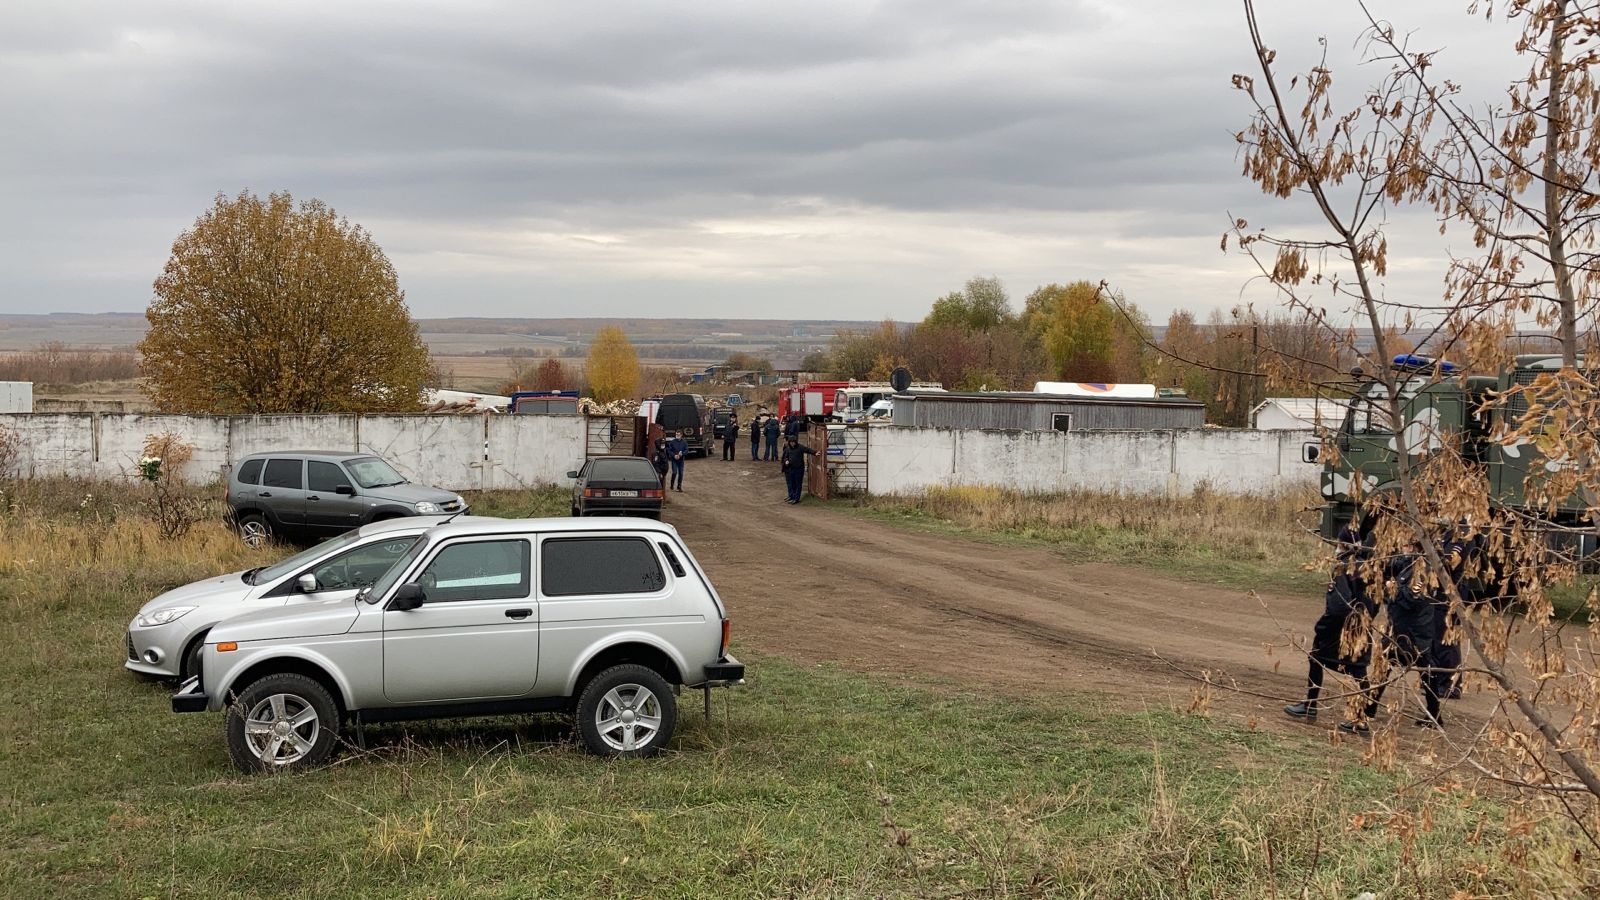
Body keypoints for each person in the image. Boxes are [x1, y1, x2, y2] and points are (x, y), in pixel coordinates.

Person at [1340, 540, 1445, 734]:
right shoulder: (1413, 564)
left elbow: (1412, 599)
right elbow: (1393, 564)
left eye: (1405, 546)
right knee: (1425, 672)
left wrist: (1391, 587)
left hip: (1410, 633)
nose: (1402, 549)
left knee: (1384, 669)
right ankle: (1435, 715)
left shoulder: (1424, 570)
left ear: (1414, 548)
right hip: (1407, 629)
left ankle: (1366, 712)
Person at [1284, 516, 1377, 722]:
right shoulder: (1371, 567)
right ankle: (1361, 716)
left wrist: (1323, 626)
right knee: (1358, 669)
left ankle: (1310, 705)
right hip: (1363, 626)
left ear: (1342, 544)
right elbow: (1376, 602)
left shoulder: (1342, 568)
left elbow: (1338, 606)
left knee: (1316, 658)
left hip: (1339, 629)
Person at [779, 435, 816, 504]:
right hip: (791, 468)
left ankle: (796, 498)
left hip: (799, 469)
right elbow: (785, 457)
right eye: (791, 442)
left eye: (793, 442)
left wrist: (815, 452)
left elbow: (807, 450)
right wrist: (786, 461)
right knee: (792, 483)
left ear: (796, 442)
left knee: (798, 484)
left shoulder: (800, 447)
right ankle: (792, 497)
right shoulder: (788, 449)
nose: (792, 443)